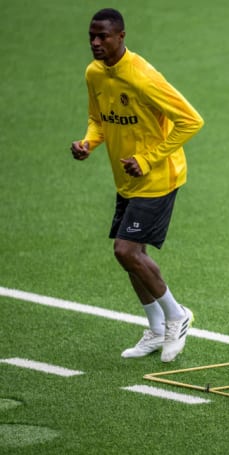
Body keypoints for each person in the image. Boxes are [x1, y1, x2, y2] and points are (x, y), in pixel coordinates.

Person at [70, 8, 203, 362]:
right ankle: (156, 329)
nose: (96, 43)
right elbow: (98, 119)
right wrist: (88, 142)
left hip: (158, 177)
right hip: (126, 178)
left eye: (103, 37)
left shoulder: (143, 76)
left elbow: (191, 121)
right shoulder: (94, 74)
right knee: (132, 257)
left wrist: (147, 159)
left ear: (121, 37)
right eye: (91, 37)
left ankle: (178, 316)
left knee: (126, 251)